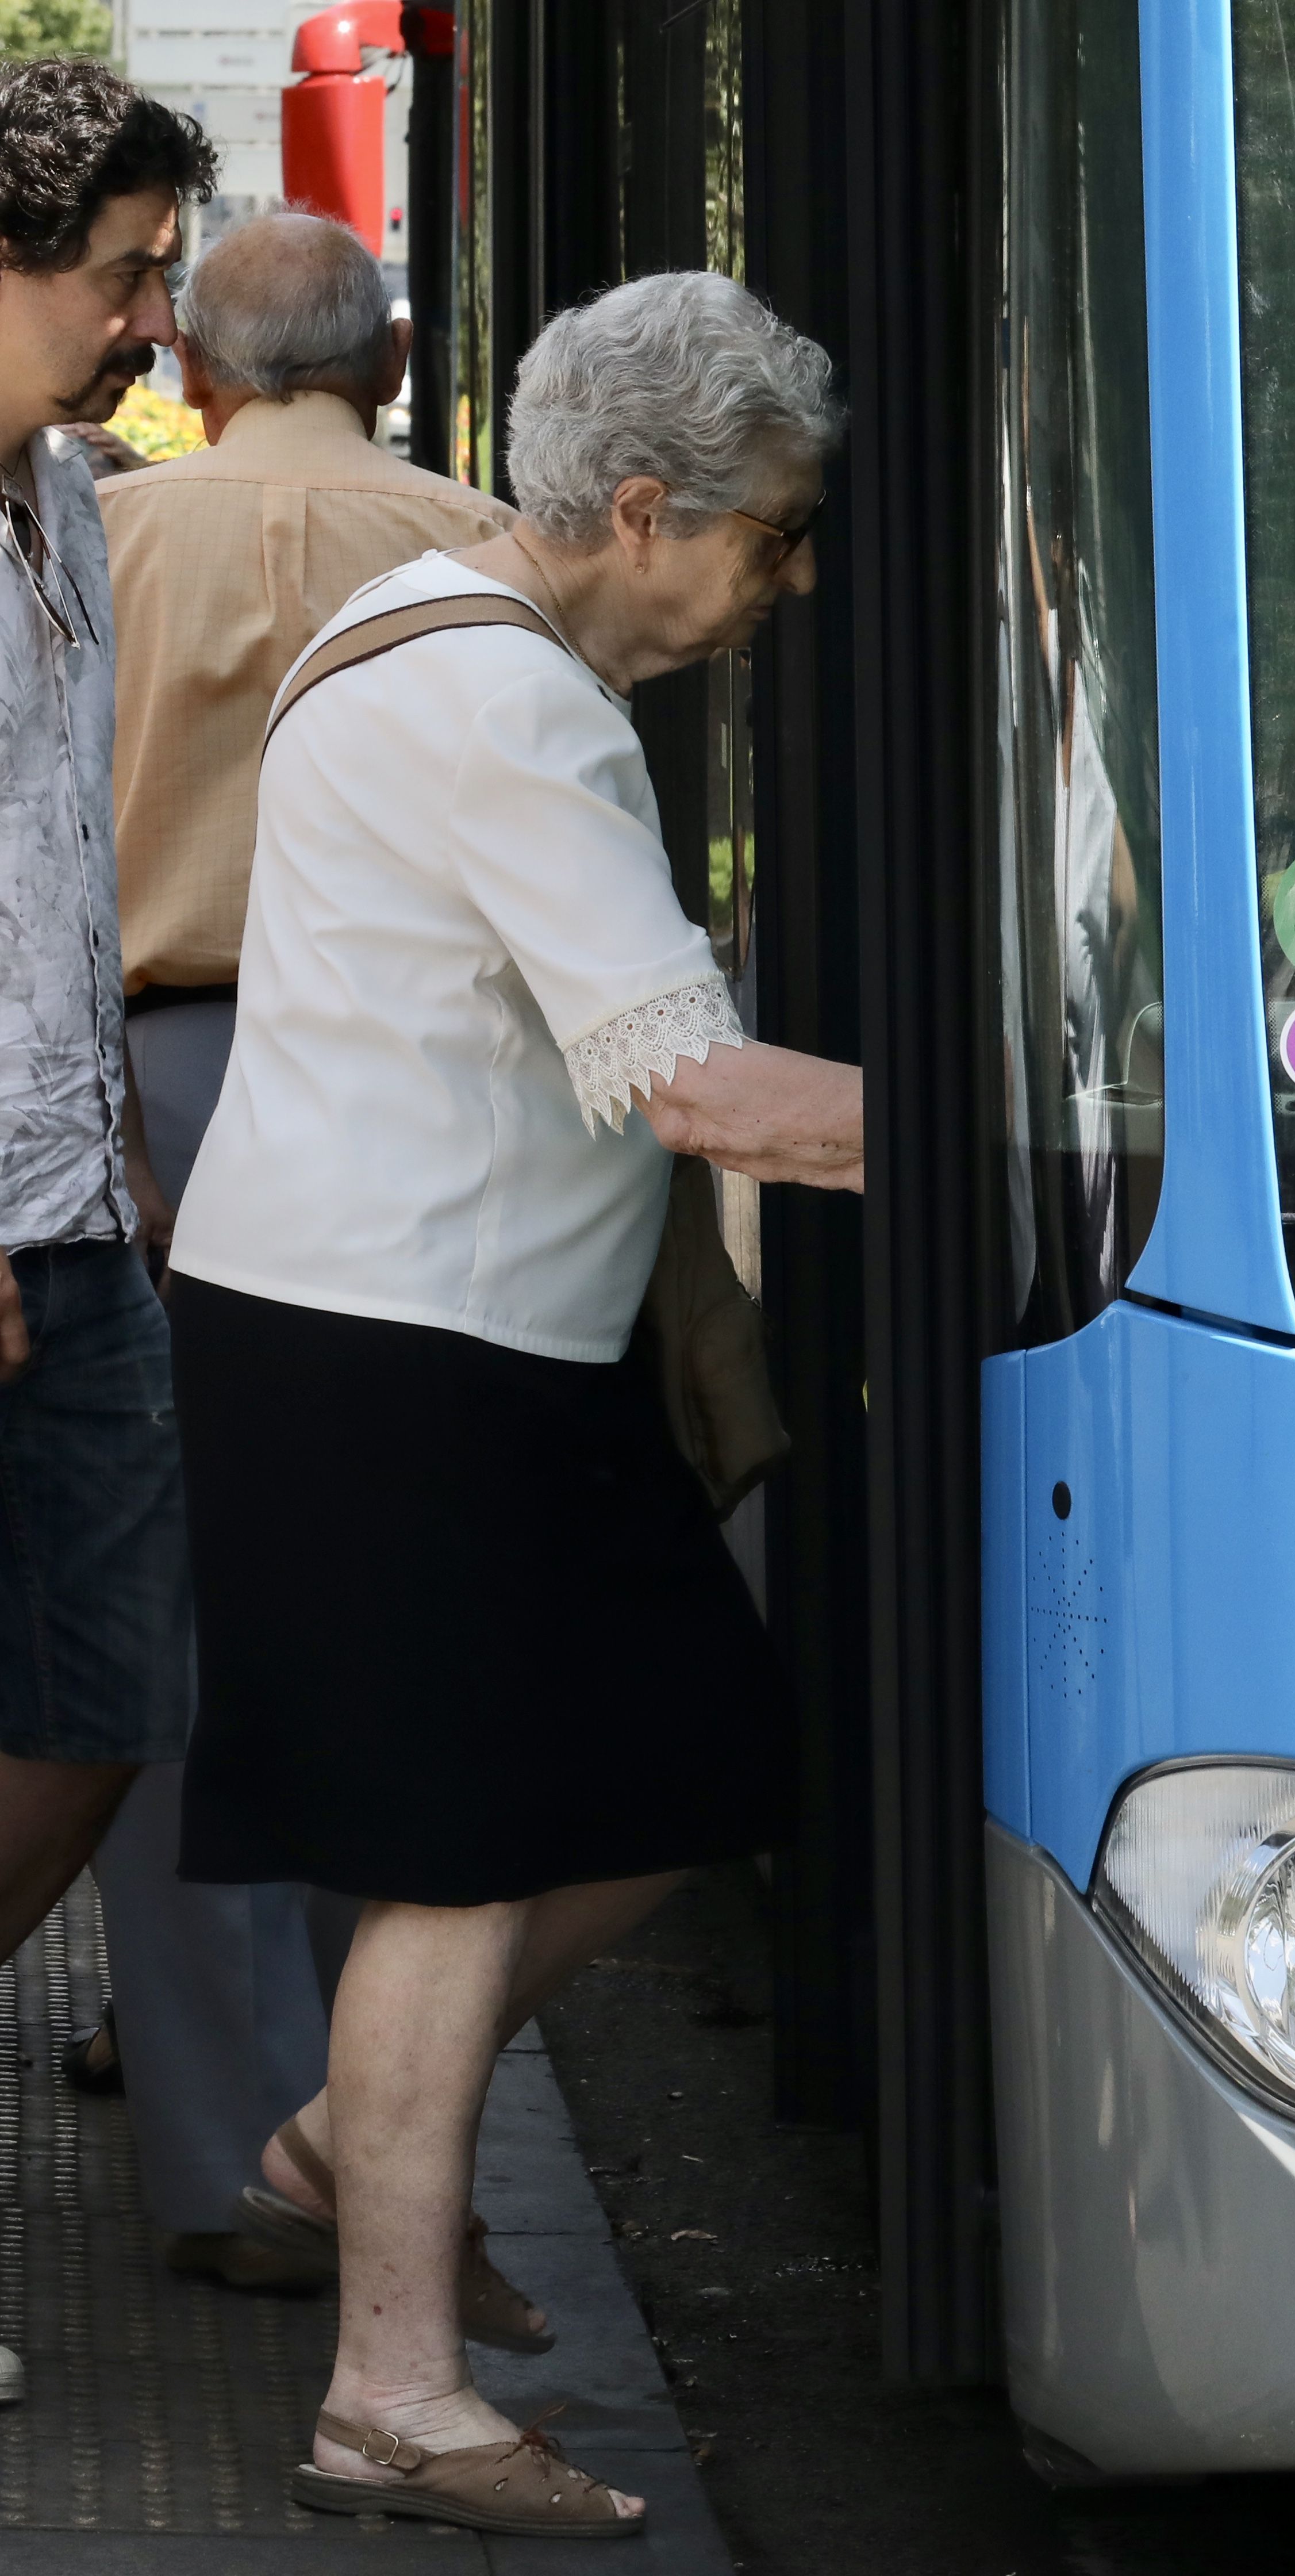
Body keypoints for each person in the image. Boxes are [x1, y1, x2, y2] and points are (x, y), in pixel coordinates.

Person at [167, 270, 863, 2538]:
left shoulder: (439, 641)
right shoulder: (511, 709)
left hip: (432, 1336)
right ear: (645, 509)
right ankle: (389, 2388)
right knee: (458, 1867)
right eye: (767, 534)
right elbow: (686, 1085)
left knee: (695, 1748)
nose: (787, 581)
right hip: (404, 1348)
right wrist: (1040, 1148)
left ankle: (328, 2148)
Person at [87, 207, 514, 2296]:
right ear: (404, 350)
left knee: (169, 1618)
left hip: (152, 1088)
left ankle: (198, 2148)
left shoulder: (104, 542)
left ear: (196, 368)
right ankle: (365, 2129)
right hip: (422, 1102)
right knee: (398, 1612)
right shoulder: (481, 543)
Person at [0, 56, 216, 2403]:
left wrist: (113, 1147)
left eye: (161, 268)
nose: (152, 318)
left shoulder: (66, 489)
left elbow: (53, 854)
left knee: (111, 1698)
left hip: (78, 1195)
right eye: (121, 272)